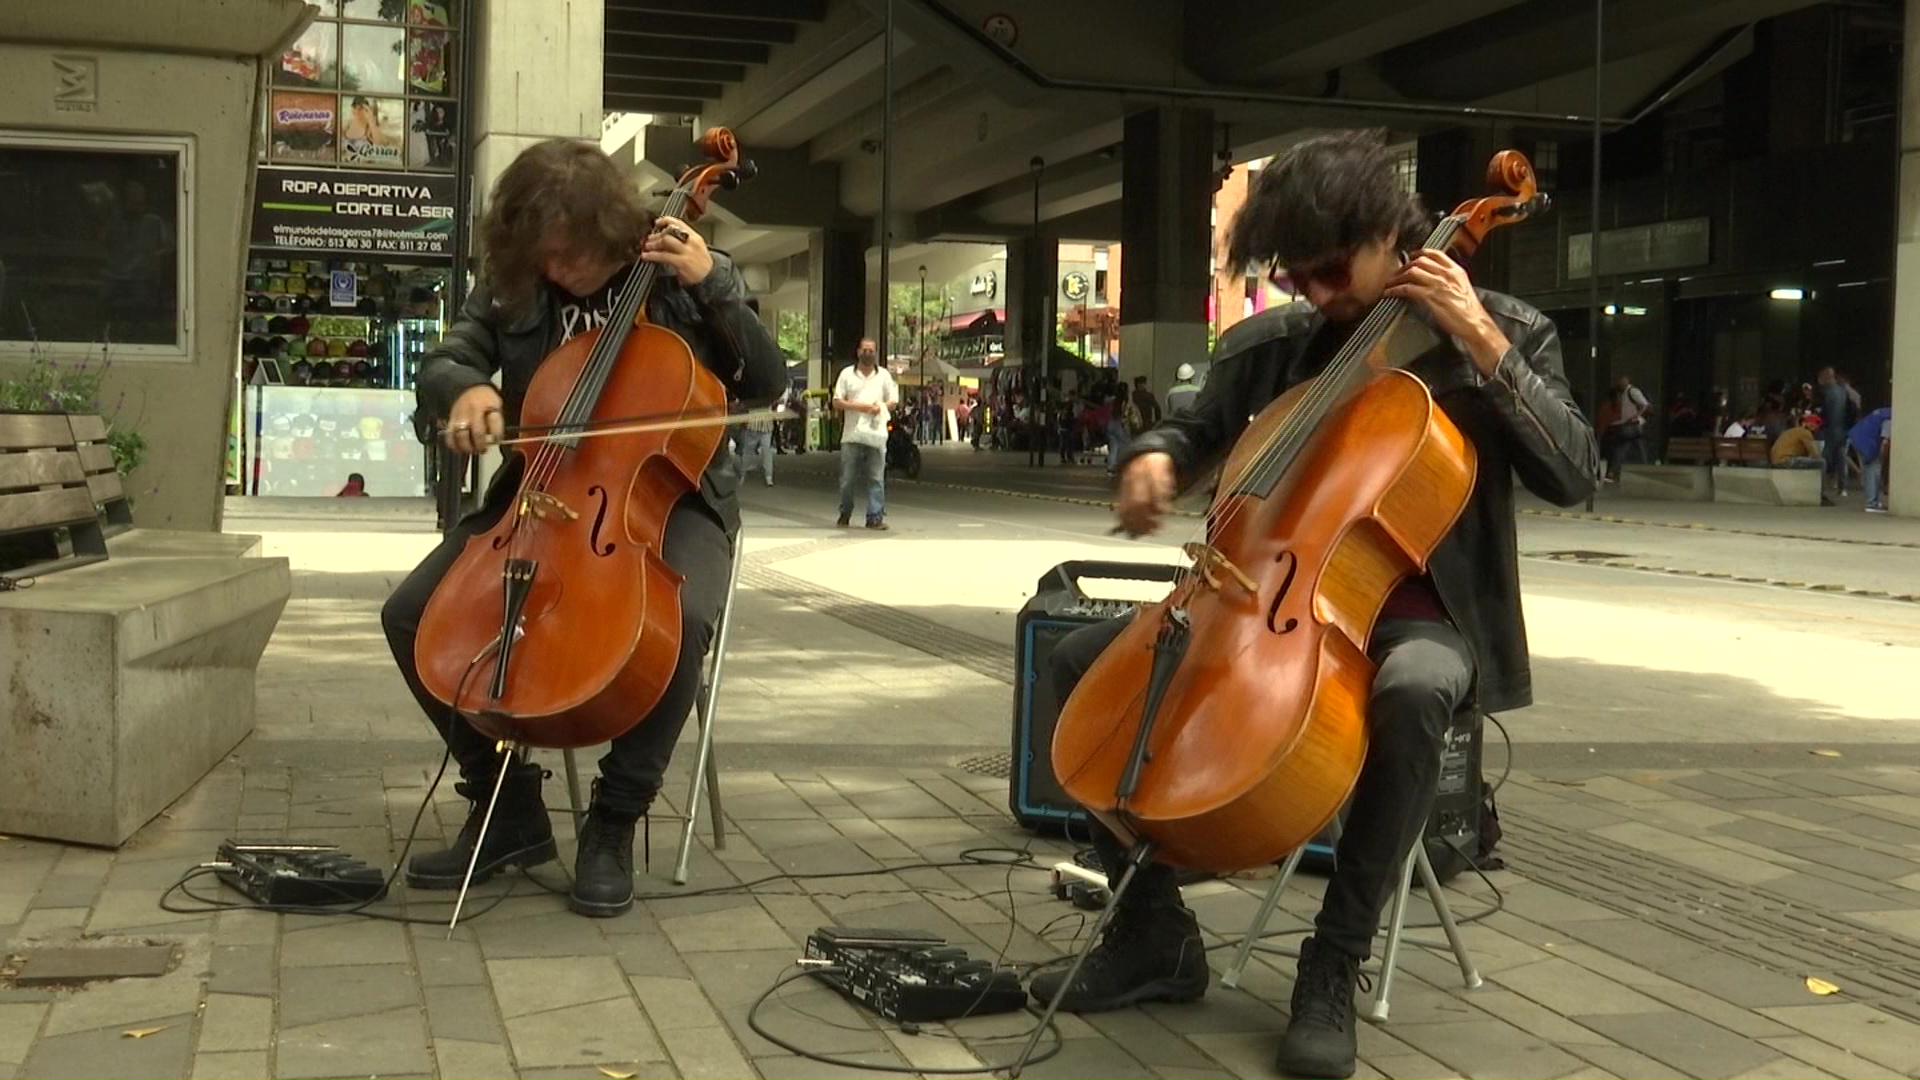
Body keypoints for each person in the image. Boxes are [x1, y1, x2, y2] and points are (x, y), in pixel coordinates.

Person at [1028, 130, 1598, 1079]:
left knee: (1413, 690)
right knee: (1079, 669)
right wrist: (1155, 457)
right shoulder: (1272, 344)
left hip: (1420, 611)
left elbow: (1573, 473)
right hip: (1269, 600)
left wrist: (1483, 342)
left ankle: (1332, 962)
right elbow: (1193, 425)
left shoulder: (1502, 327)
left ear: (1392, 232)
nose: (1318, 296)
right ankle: (1153, 936)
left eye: (1332, 270)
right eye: (1297, 279)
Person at [379, 139, 787, 918]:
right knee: (409, 615)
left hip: (675, 497)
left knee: (680, 618)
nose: (557, 272)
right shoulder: (516, 280)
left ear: (608, 230)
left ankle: (614, 820)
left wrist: (718, 287)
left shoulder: (682, 267)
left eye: (570, 257)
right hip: (539, 492)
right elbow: (447, 356)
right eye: (543, 258)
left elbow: (767, 384)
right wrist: (464, 389)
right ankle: (508, 810)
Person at [832, 338, 898, 528]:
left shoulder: (884, 376)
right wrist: (861, 407)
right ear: (858, 352)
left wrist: (880, 407)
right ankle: (845, 512)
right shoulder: (847, 375)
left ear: (875, 353)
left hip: (876, 436)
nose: (868, 353)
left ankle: (875, 517)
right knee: (847, 479)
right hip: (851, 435)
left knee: (876, 478)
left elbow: (893, 401)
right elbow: (837, 401)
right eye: (865, 350)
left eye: (872, 350)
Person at [1851, 406, 1892, 512]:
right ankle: (1871, 504)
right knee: (1873, 471)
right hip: (1866, 443)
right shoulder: (1889, 419)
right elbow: (1885, 442)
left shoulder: (1884, 412)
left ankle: (1873, 501)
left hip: (1858, 437)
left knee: (1869, 471)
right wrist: (1881, 459)